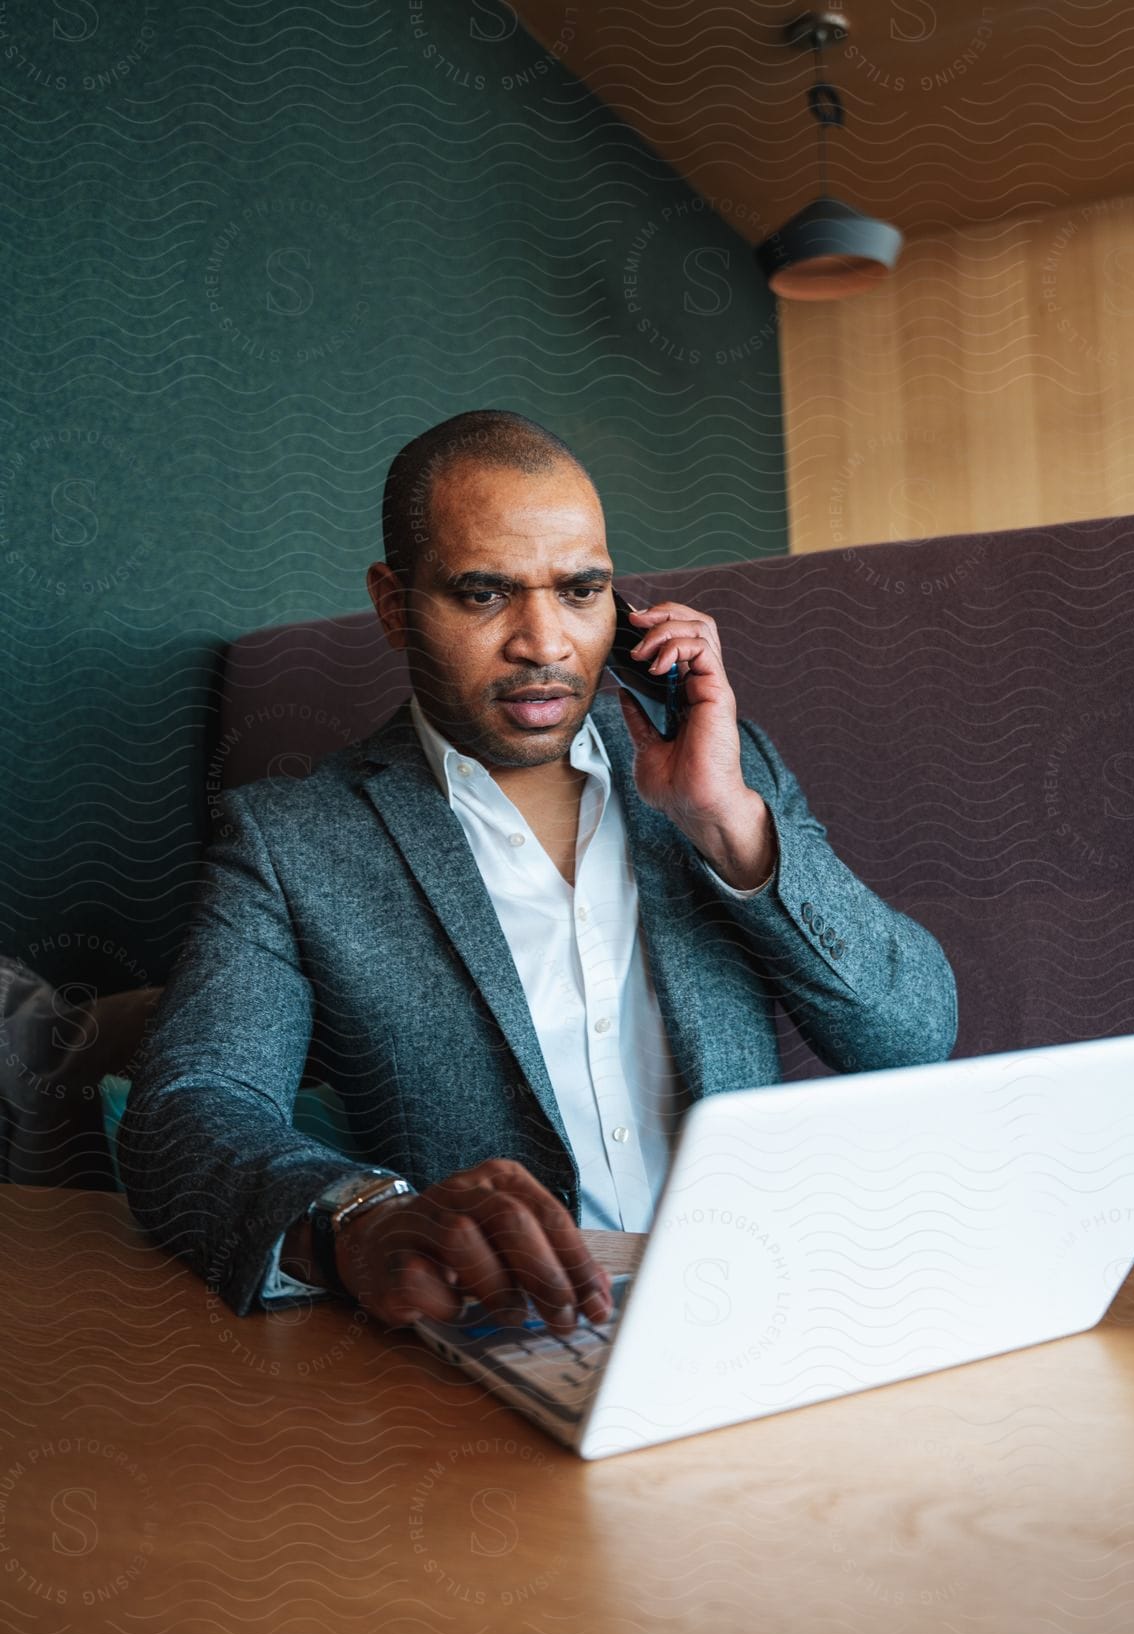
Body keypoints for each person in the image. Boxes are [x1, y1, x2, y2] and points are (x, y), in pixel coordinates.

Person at [118, 410, 957, 1334]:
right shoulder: (292, 842)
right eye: (485, 595)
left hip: (766, 1301)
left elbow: (910, 1035)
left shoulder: (725, 772)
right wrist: (358, 1224)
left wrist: (726, 822)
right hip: (514, 1338)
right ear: (394, 605)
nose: (546, 644)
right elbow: (189, 1110)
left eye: (581, 590)